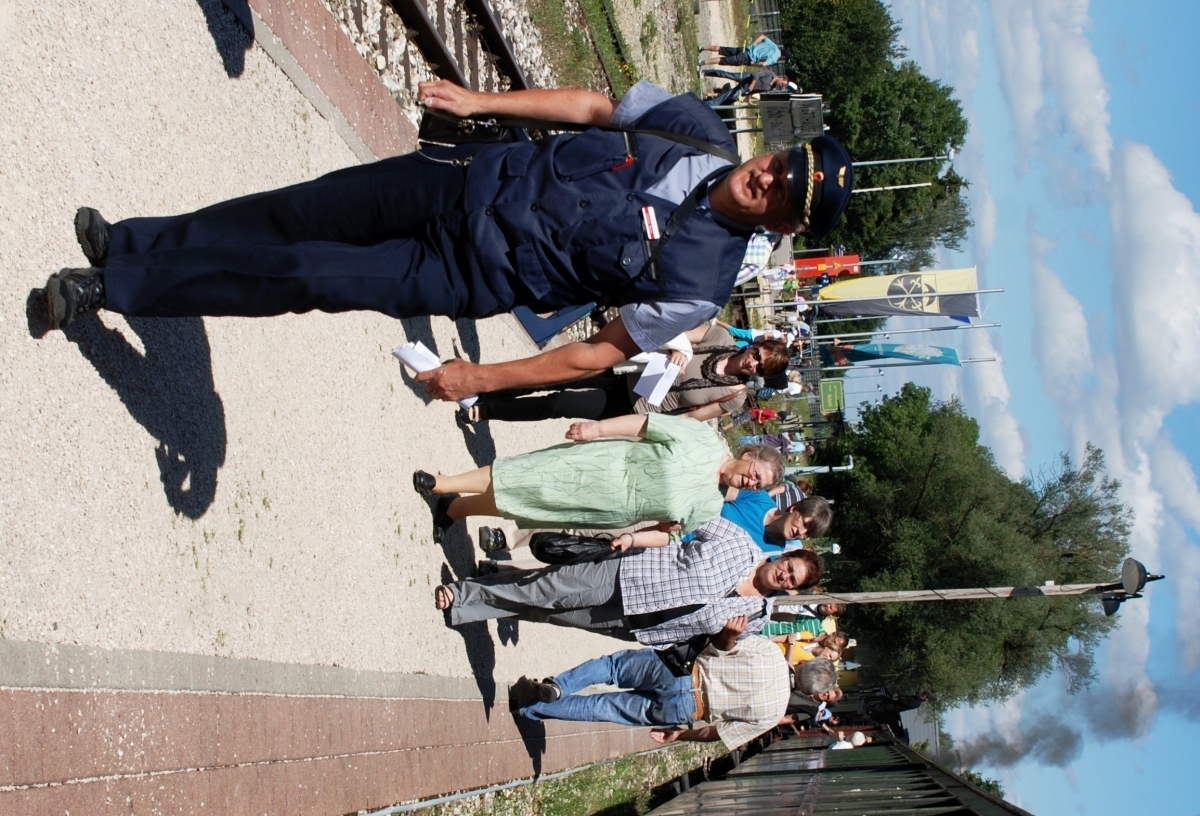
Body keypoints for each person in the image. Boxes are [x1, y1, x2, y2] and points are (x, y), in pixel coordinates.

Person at [46, 78, 853, 408]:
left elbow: (595, 355)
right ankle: (130, 244)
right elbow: (592, 108)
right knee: (292, 211)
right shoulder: (698, 128)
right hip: (460, 178)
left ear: (786, 225)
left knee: (304, 272)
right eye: (783, 164)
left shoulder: (701, 285)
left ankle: (113, 291)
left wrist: (482, 378)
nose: (770, 179)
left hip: (464, 271)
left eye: (787, 194)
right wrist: (479, 101)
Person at [435, 517, 824, 648]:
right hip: (630, 576)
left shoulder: (757, 615)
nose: (785, 574)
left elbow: (718, 648)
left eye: (792, 580)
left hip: (637, 625)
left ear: (791, 589)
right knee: (547, 591)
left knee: (546, 611)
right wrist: (641, 533)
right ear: (784, 556)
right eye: (790, 566)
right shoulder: (739, 543)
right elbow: (693, 514)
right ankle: (461, 595)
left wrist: (728, 637)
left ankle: (488, 585)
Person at [413, 414, 782, 540]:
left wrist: (644, 535)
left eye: (758, 485)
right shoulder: (703, 438)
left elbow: (669, 533)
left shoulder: (712, 504)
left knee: (528, 503)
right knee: (525, 475)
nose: (752, 483)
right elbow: (647, 424)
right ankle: (445, 483)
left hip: (605, 507)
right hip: (603, 465)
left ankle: (457, 510)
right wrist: (597, 429)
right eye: (755, 474)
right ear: (748, 456)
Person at [513, 625, 838, 750]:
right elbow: (716, 734)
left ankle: (559, 685)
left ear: (805, 663)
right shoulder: (772, 714)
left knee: (612, 667)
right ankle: (531, 708)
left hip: (680, 671)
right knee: (603, 708)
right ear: (810, 693)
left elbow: (723, 643)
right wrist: (679, 735)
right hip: (686, 710)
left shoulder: (768, 651)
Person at [461, 329, 789, 424]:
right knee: (555, 377)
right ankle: (486, 390)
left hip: (634, 405)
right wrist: (681, 349)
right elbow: (675, 332)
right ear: (755, 346)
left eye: (761, 369)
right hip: (628, 368)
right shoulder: (720, 337)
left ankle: (488, 411)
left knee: (558, 404)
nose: (753, 364)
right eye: (758, 356)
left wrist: (639, 429)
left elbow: (691, 418)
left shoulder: (734, 397)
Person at [714, 492, 832, 554]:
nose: (801, 533)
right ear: (794, 508)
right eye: (805, 524)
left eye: (807, 534)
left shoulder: (773, 554)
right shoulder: (758, 497)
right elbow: (714, 493)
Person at [705, 71, 791, 108]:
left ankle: (709, 104)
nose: (781, 85)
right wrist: (753, 83)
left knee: (729, 95)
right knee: (726, 74)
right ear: (781, 78)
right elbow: (757, 74)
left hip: (745, 88)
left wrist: (748, 96)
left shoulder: (770, 88)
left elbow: (755, 91)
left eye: (782, 85)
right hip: (746, 78)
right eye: (782, 83)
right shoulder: (770, 74)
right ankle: (706, 72)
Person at [700, 36, 789, 67]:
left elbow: (762, 37)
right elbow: (764, 64)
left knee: (721, 49)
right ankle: (702, 63)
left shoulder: (774, 45)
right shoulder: (775, 57)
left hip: (746, 49)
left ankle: (702, 48)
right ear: (783, 57)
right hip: (747, 58)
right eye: (784, 59)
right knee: (723, 60)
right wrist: (753, 64)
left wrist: (753, 44)